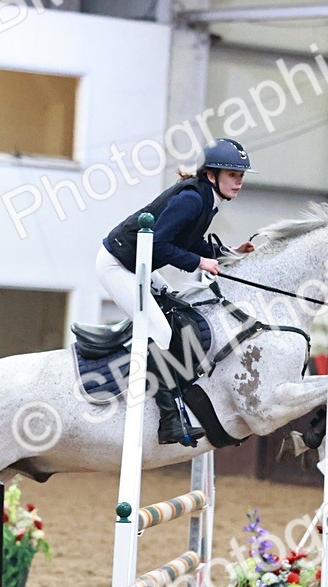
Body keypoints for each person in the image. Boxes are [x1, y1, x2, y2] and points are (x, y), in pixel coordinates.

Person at [95, 138, 257, 446]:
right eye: (233, 175)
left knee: (178, 313)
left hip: (140, 266)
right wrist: (199, 262)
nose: (239, 182)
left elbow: (189, 241)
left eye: (241, 176)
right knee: (158, 330)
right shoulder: (192, 199)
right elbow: (159, 243)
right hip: (118, 266)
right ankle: (168, 421)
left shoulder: (206, 200)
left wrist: (229, 252)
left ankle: (175, 390)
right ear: (211, 175)